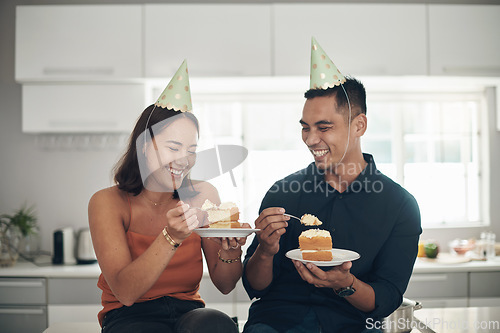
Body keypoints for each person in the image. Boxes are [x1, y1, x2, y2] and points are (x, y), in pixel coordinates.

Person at [242, 38, 422, 333]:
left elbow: (387, 296)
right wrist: (264, 249)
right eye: (305, 127)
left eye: (324, 127)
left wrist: (346, 284)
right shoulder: (282, 193)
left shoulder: (400, 205)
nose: (311, 139)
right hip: (276, 323)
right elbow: (255, 285)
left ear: (359, 126)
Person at [88, 60, 247, 333]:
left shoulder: (203, 195)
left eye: (192, 150)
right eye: (174, 147)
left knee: (216, 324)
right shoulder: (107, 202)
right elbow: (126, 293)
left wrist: (231, 251)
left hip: (189, 313)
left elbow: (225, 284)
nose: (184, 160)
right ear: (143, 146)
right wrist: (171, 237)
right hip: (129, 317)